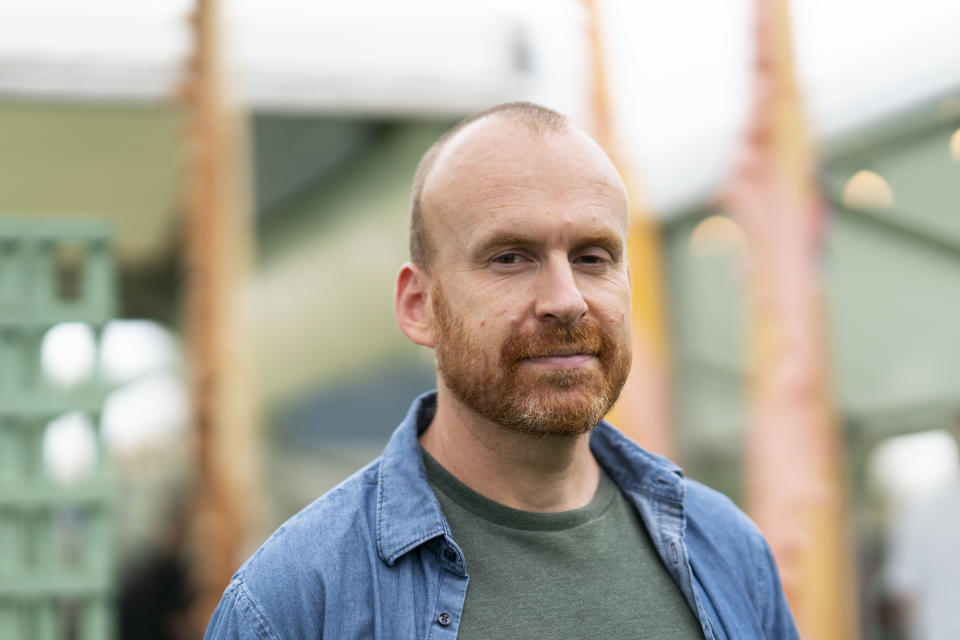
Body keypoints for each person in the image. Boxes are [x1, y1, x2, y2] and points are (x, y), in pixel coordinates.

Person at [204, 102, 798, 639]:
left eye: (593, 257)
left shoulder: (727, 550)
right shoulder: (296, 604)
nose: (566, 298)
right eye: (511, 257)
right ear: (419, 306)